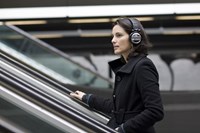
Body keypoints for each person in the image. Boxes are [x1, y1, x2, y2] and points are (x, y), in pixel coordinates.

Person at [70, 17, 164, 133]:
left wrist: (123, 129)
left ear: (135, 38)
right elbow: (118, 108)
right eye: (113, 36)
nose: (113, 40)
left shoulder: (143, 66)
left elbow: (155, 111)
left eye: (119, 35)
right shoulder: (128, 67)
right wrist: (88, 98)